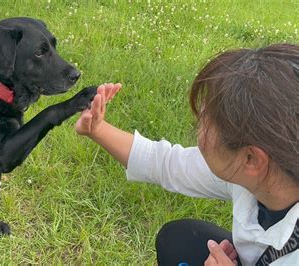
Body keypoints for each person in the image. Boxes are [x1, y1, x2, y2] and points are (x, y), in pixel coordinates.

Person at [75, 44, 298, 265]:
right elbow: (167, 164)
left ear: (252, 159)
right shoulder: (266, 174)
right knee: (179, 240)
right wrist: (97, 129)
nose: (197, 130)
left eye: (204, 125)